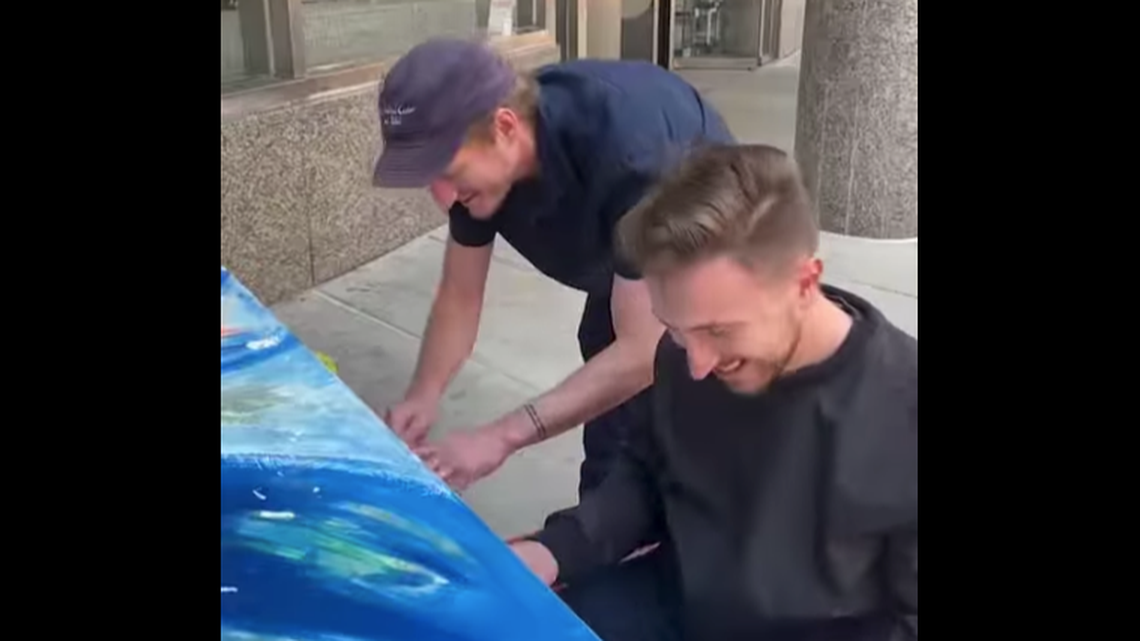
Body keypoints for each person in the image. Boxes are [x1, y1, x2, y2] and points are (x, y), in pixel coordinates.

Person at [510, 144, 918, 641]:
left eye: (719, 331)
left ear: (805, 282)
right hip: (673, 599)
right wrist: (554, 550)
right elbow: (646, 475)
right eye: (676, 328)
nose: (697, 364)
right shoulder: (680, 354)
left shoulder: (902, 408)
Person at [372, 38, 735, 492]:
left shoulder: (629, 153)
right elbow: (459, 297)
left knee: (689, 434)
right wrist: (423, 396)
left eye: (447, 171)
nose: (443, 198)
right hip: (620, 263)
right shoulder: (480, 171)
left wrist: (501, 436)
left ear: (505, 127)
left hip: (706, 264)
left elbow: (642, 351)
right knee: (610, 443)